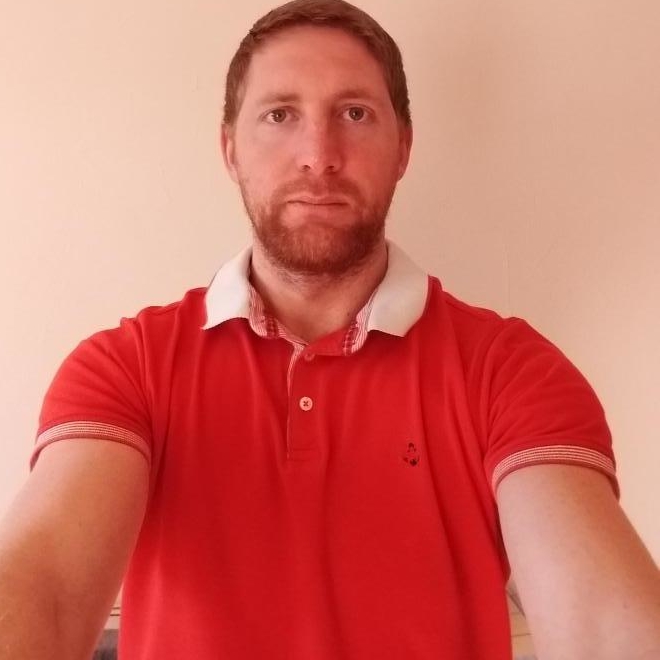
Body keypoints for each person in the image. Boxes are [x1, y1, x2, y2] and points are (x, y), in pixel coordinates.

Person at [0, 0, 659, 658]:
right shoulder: (127, 367)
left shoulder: (512, 370)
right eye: (280, 114)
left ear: (403, 148)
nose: (319, 156)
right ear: (230, 150)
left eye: (355, 113)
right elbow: (46, 591)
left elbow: (604, 627)